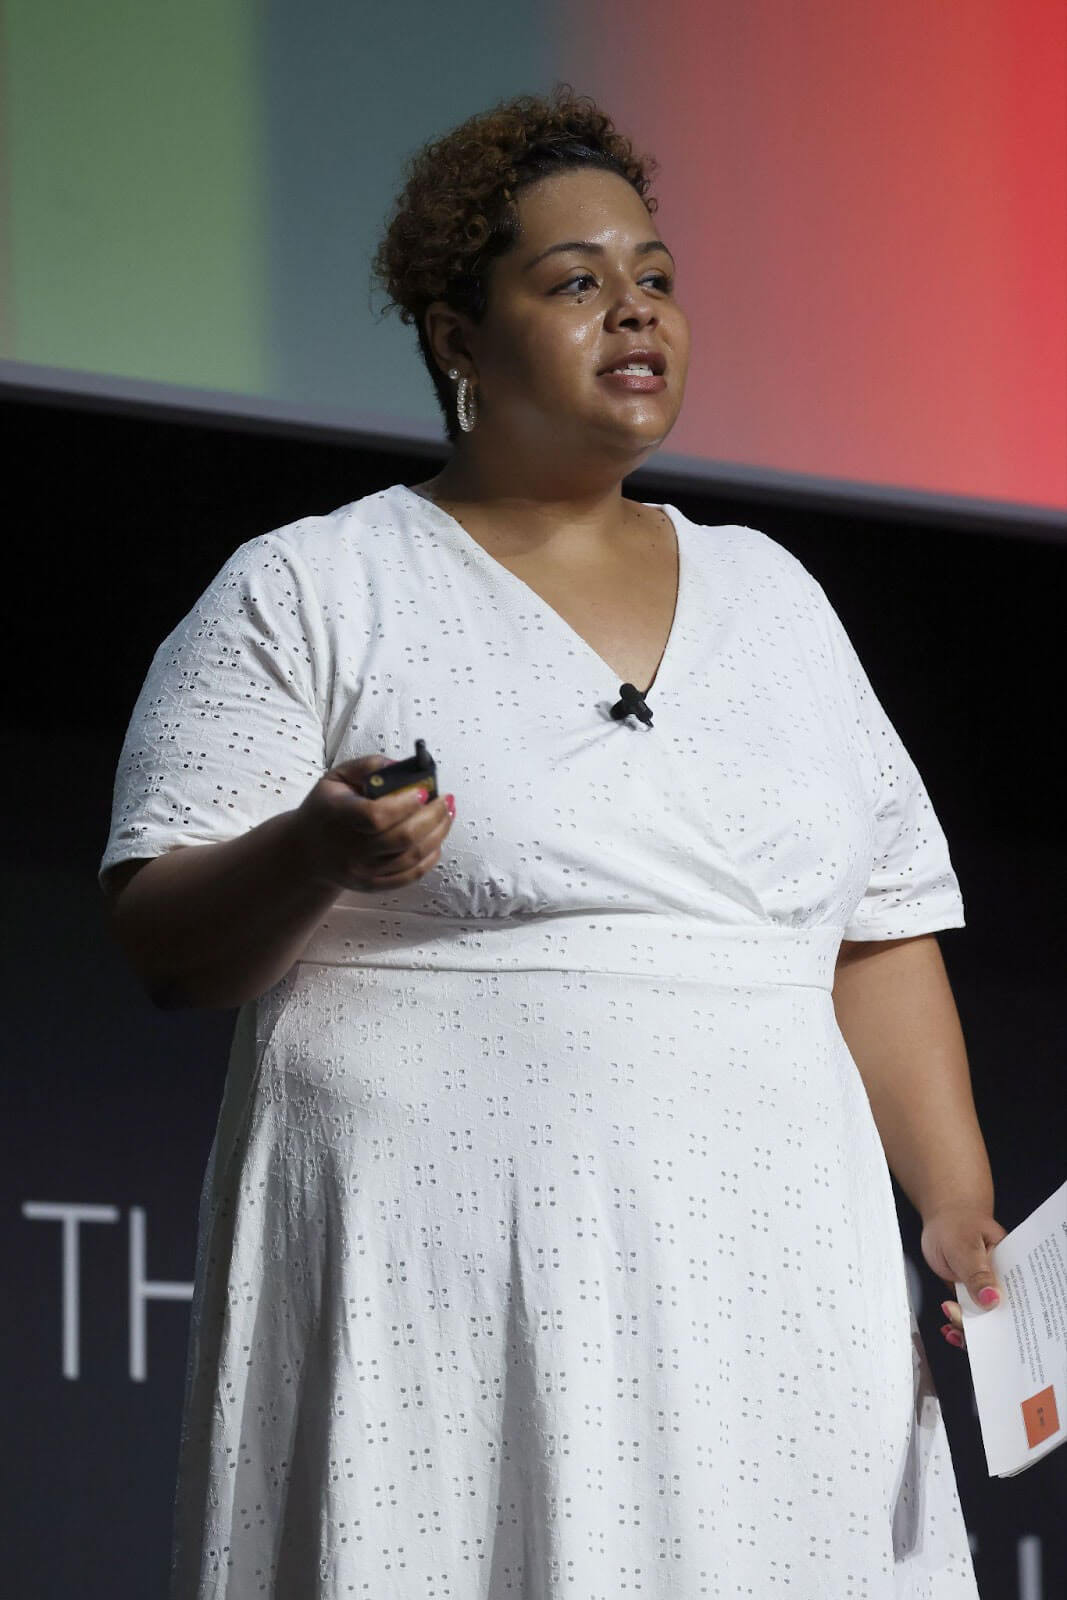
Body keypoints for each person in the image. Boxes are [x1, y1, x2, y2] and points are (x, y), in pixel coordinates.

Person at [100, 85, 1004, 1599]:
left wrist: (958, 1204)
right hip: (450, 1283)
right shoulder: (315, 586)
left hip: (778, 1284)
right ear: (459, 339)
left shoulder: (776, 596)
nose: (634, 311)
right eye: (574, 282)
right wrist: (313, 858)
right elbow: (161, 935)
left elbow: (875, 927)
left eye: (653, 275)